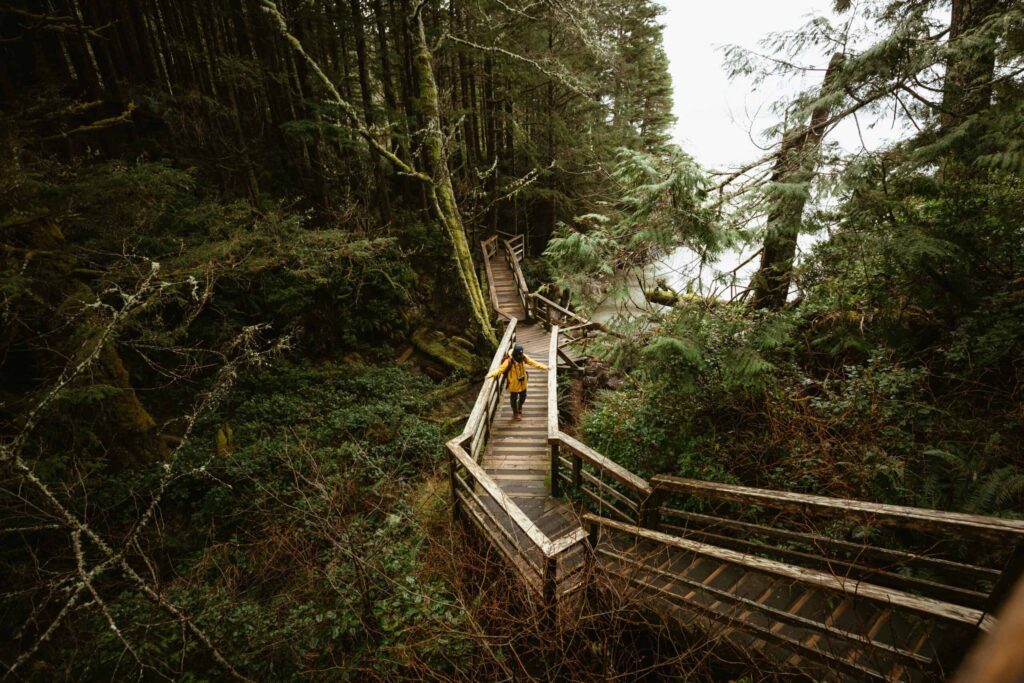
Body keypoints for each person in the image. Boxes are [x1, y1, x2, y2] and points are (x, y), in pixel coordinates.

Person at [487, 343, 548, 418]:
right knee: (513, 399)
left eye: (521, 354)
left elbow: (532, 362)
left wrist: (544, 367)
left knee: (523, 397)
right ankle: (515, 413)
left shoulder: (523, 357)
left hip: (523, 382)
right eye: (519, 355)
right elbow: (500, 370)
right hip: (513, 384)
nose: (521, 356)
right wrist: (490, 375)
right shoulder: (508, 362)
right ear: (515, 354)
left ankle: (519, 406)